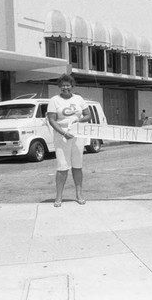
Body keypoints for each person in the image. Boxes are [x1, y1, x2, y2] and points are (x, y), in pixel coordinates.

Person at [47, 74, 91, 207]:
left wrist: (80, 119)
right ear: (59, 87)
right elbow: (52, 119)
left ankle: (79, 194)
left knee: (78, 165)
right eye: (63, 85)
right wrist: (63, 133)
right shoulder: (54, 100)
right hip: (62, 136)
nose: (66, 87)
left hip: (78, 135)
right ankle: (59, 196)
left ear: (72, 86)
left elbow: (88, 114)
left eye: (68, 85)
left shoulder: (79, 98)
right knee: (62, 166)